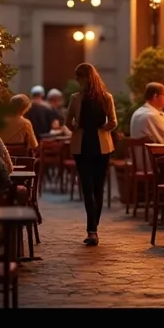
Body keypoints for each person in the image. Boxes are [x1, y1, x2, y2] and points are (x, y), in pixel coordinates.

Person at [66, 62, 117, 246]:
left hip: (102, 147)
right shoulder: (76, 98)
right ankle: (92, 230)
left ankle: (93, 229)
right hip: (82, 146)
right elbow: (68, 120)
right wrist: (74, 126)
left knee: (98, 188)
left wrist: (104, 126)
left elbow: (113, 121)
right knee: (87, 188)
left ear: (87, 77)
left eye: (79, 77)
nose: (78, 80)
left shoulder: (106, 97)